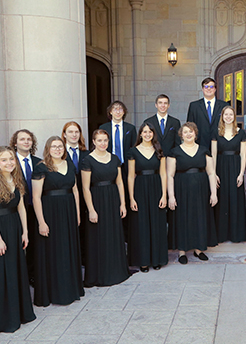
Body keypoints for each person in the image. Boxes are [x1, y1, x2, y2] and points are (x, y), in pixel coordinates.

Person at [0, 146, 35, 336]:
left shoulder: (16, 180)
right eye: (4, 160)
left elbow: (21, 209)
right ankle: (3, 319)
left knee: (15, 270)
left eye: (11, 159)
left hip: (15, 229)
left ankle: (19, 313)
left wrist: (25, 232)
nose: (9, 163)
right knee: (1, 274)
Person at [32, 136, 84, 306]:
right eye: (53, 146)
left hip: (68, 211)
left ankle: (70, 289)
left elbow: (75, 191)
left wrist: (77, 214)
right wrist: (41, 222)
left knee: (68, 249)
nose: (57, 149)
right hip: (50, 213)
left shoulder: (69, 164)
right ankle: (55, 293)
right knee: (53, 251)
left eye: (60, 146)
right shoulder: (41, 168)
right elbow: (36, 197)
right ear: (48, 148)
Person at [80, 130, 130, 287]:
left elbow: (120, 182)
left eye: (105, 140)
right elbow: (85, 188)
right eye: (99, 140)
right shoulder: (87, 161)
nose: (103, 143)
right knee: (99, 237)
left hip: (113, 199)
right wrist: (91, 209)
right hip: (97, 200)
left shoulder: (115, 158)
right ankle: (100, 274)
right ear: (93, 141)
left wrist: (122, 203)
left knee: (114, 235)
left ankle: (116, 271)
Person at [167, 122, 218, 263]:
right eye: (185, 132)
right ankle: (182, 251)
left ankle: (198, 249)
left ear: (195, 134)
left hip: (201, 190)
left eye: (191, 131)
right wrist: (171, 196)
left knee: (199, 217)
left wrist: (213, 193)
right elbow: (170, 175)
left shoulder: (204, 151)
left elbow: (211, 173)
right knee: (182, 218)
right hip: (181, 190)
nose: (188, 134)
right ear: (181, 135)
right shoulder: (174, 152)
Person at [128, 123, 168, 272]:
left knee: (157, 224)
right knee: (142, 225)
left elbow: (163, 174)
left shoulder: (159, 150)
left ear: (153, 134)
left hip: (156, 188)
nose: (147, 134)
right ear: (140, 134)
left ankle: (156, 259)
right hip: (140, 189)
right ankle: (143, 261)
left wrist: (164, 194)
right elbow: (131, 176)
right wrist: (131, 198)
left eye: (150, 131)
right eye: (144, 132)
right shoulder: (133, 152)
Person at [211, 106, 246, 243]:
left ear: (234, 116)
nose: (228, 117)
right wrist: (214, 173)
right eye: (226, 114)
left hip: (235, 168)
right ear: (222, 116)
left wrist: (241, 173)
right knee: (222, 199)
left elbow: (243, 155)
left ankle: (236, 235)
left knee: (235, 199)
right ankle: (221, 235)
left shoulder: (241, 133)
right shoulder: (216, 132)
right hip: (220, 168)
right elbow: (213, 154)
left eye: (230, 114)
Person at [10, 129, 41, 284]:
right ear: (15, 143)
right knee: (19, 243)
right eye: (22, 139)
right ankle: (19, 277)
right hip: (17, 210)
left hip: (35, 209)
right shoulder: (9, 163)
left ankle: (33, 274)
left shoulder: (39, 162)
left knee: (35, 243)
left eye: (29, 139)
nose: (26, 142)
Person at [62, 121, 89, 266]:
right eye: (70, 132)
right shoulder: (60, 153)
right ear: (64, 134)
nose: (74, 135)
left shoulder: (86, 153)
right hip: (67, 195)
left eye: (76, 132)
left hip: (85, 195)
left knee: (84, 227)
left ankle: (84, 257)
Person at [99, 100, 137, 185]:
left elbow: (134, 148)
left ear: (124, 112)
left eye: (120, 109)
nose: (118, 111)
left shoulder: (130, 128)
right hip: (108, 165)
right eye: (115, 109)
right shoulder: (103, 128)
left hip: (126, 166)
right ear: (110, 112)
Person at [187, 78, 227, 145]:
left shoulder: (224, 105)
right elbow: (190, 126)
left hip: (220, 143)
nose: (209, 89)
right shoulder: (194, 106)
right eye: (206, 87)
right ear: (202, 89)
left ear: (215, 89)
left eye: (211, 87)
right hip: (199, 144)